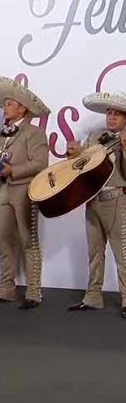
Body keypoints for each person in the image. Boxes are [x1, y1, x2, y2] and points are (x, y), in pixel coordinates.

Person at [67, 92, 126, 319]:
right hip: (92, 199)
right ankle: (93, 296)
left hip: (116, 199)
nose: (112, 118)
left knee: (121, 252)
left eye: (117, 114)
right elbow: (81, 168)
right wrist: (75, 156)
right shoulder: (95, 136)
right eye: (109, 113)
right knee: (94, 252)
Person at [0, 77, 49, 310]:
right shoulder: (2, 133)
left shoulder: (34, 133)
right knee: (4, 241)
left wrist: (13, 170)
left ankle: (33, 292)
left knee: (29, 241)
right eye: (4, 104)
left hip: (24, 192)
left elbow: (40, 163)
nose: (4, 108)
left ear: (22, 108)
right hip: (3, 192)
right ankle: (6, 289)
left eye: (9, 104)